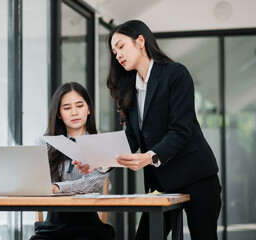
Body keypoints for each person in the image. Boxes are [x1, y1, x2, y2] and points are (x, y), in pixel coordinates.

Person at [75, 20, 221, 240]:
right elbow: (131, 139)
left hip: (197, 177)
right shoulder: (130, 88)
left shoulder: (176, 74)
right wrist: (97, 161)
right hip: (162, 183)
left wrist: (149, 157)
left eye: (121, 46)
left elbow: (181, 130)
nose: (118, 55)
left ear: (140, 41)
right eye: (114, 52)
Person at [30, 82, 115, 240]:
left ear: (88, 109)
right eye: (67, 108)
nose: (74, 112)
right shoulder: (44, 144)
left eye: (79, 106)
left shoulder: (99, 144)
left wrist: (57, 187)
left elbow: (91, 184)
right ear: (58, 114)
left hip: (88, 228)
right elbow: (36, 183)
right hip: (52, 227)